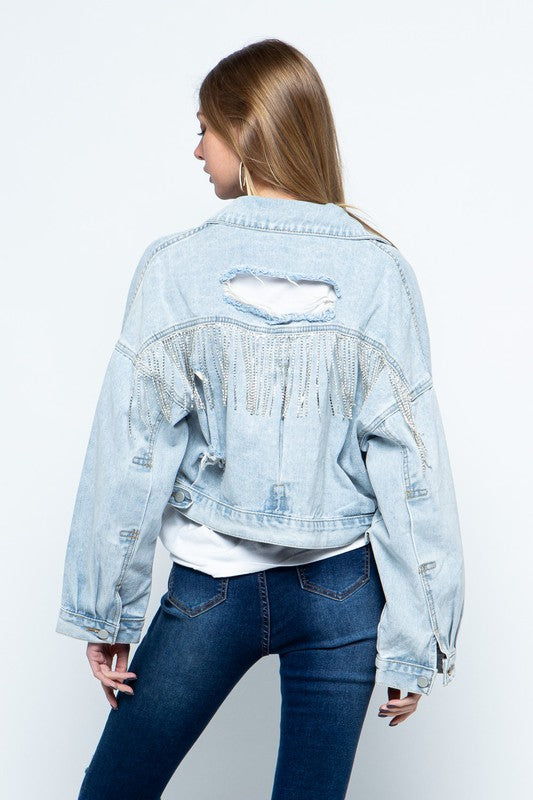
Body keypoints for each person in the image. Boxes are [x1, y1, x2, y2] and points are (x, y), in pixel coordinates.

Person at [56, 38, 465, 800]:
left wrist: (108, 608)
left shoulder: (174, 268)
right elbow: (410, 468)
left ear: (244, 132)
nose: (196, 149)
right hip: (343, 591)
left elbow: (134, 449)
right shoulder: (380, 271)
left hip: (212, 585)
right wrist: (419, 637)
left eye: (204, 128)